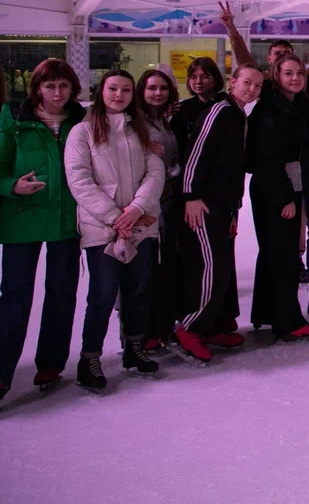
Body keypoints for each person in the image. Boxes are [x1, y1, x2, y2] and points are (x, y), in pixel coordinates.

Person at [64, 69, 165, 390]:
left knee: (138, 289)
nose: (118, 95)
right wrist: (114, 217)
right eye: (112, 89)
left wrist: (136, 208)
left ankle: (134, 347)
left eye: (125, 90)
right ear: (101, 91)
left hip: (141, 224)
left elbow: (155, 172)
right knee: (103, 293)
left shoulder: (141, 130)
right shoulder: (82, 132)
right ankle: (90, 358)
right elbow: (79, 180)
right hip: (102, 228)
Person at [0, 59, 84, 400]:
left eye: (63, 85)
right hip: (23, 219)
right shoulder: (13, 120)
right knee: (14, 296)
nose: (57, 93)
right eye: (50, 86)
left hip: (67, 221)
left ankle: (51, 361)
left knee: (62, 291)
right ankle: (2, 372)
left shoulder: (82, 122)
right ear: (37, 89)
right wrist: (11, 186)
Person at [171, 64, 263, 365]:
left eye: (257, 86)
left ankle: (209, 326)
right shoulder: (220, 110)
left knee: (221, 268)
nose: (251, 89)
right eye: (246, 83)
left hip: (222, 207)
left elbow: (232, 170)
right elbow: (196, 153)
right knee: (212, 268)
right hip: (202, 205)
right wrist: (191, 196)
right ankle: (189, 327)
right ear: (233, 82)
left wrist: (234, 210)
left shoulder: (238, 114)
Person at [245, 54, 309, 341]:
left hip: (285, 183)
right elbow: (266, 158)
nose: (295, 78)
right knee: (284, 255)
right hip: (275, 188)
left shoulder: (293, 104)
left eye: (299, 73)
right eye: (288, 73)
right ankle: (288, 322)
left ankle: (268, 313)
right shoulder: (270, 109)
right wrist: (284, 197)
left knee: (274, 253)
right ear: (276, 75)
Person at [135, 69, 184, 348]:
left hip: (166, 200)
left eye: (163, 88)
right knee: (143, 270)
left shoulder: (163, 120)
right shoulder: (136, 122)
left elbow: (172, 159)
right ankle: (138, 334)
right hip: (144, 204)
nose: (158, 93)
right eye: (152, 88)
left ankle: (157, 328)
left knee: (162, 268)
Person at [169, 56, 225, 162]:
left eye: (205, 76)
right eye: (193, 77)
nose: (198, 81)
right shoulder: (182, 108)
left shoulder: (226, 105)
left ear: (215, 78)